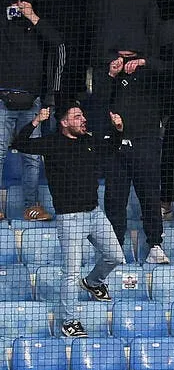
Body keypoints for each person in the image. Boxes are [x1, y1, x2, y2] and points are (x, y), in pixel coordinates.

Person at [13, 103, 126, 338]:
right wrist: (36, 121)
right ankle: (69, 322)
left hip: (96, 214)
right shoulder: (52, 143)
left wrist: (117, 130)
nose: (83, 119)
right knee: (71, 273)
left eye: (83, 115)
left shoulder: (89, 141)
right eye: (77, 116)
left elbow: (111, 148)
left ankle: (94, 282)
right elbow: (19, 143)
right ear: (64, 122)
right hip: (70, 219)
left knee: (116, 256)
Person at [93, 50, 168, 264]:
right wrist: (111, 75)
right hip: (116, 148)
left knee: (150, 197)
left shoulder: (151, 72)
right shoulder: (107, 71)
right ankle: (115, 251)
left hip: (146, 146)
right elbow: (98, 102)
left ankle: (155, 245)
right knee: (115, 201)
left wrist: (145, 61)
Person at [0, 0, 63, 223]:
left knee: (32, 158)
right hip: (2, 101)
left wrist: (32, 16)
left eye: (22, 4)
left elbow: (58, 44)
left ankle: (31, 207)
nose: (18, 8)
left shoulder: (37, 26)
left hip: (32, 102)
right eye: (14, 4)